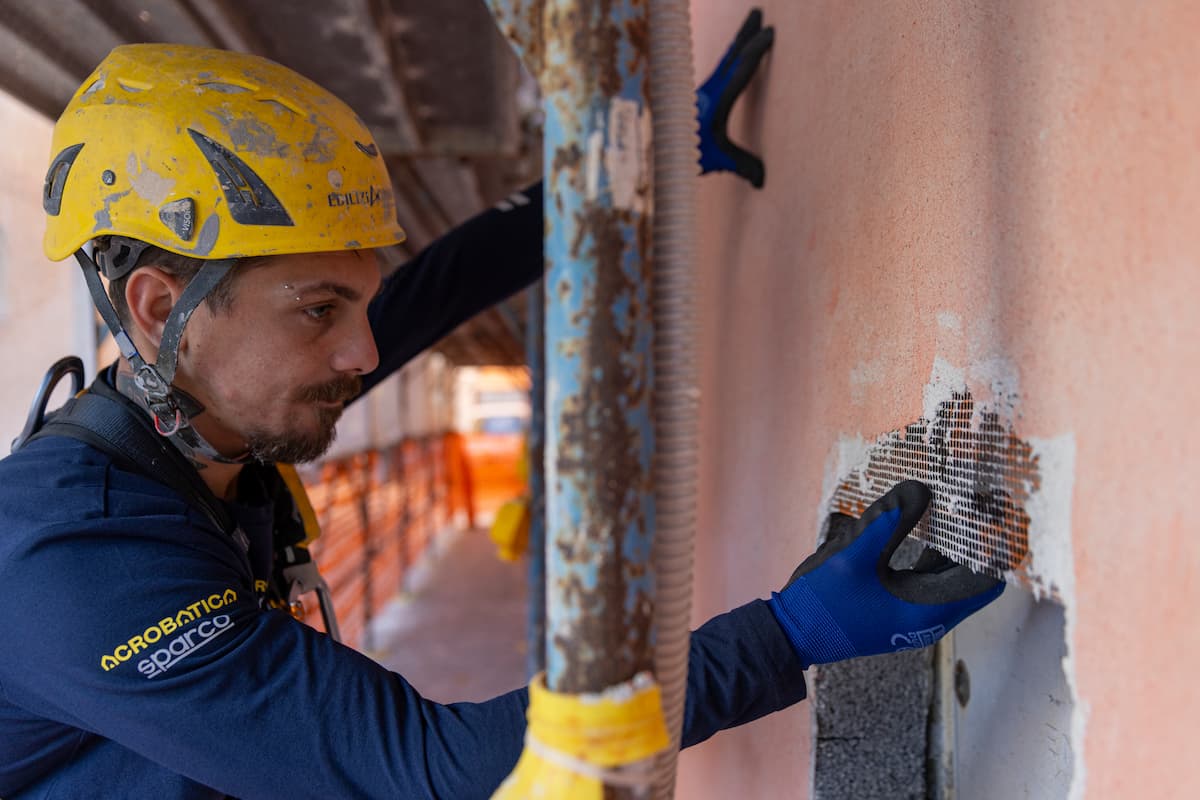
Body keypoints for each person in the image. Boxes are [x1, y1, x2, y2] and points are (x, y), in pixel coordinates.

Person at [0, 42, 1003, 800]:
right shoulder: (73, 558)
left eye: (360, 302)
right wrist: (789, 636)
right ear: (159, 308)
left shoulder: (206, 418)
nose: (363, 353)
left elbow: (441, 285)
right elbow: (427, 767)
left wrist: (628, 169)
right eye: (319, 311)